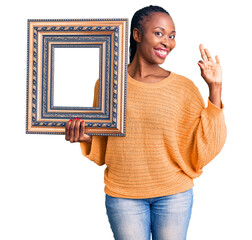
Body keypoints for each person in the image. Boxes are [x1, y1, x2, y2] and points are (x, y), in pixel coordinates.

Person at [65, 5, 227, 240]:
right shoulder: (108, 85)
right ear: (137, 35)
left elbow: (206, 143)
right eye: (159, 33)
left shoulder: (183, 87)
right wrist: (85, 136)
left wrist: (216, 88)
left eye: (172, 36)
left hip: (174, 194)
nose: (167, 42)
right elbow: (106, 141)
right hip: (123, 194)